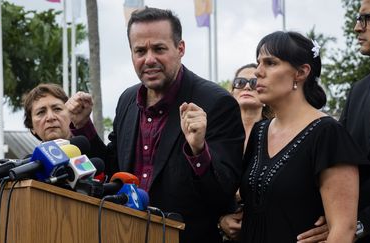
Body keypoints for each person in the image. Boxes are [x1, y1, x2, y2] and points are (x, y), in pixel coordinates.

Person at [66, 7, 245, 243]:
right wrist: (82, 126)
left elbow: (223, 195)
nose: (149, 59)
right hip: (124, 234)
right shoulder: (127, 100)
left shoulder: (216, 103)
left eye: (159, 48)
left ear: (180, 49)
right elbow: (112, 171)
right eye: (140, 50)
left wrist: (198, 151)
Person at [298, 0, 370, 242]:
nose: (356, 28)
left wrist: (362, 225)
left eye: (366, 18)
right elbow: (339, 163)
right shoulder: (359, 91)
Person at [239, 31, 367, 243]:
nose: (258, 73)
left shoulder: (327, 133)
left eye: (270, 63)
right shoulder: (259, 132)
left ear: (301, 72)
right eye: (258, 62)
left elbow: (343, 229)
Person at [218, 63, 272, 242]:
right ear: (232, 91)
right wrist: (220, 220)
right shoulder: (217, 134)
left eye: (254, 82)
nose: (247, 86)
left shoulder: (277, 135)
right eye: (240, 82)